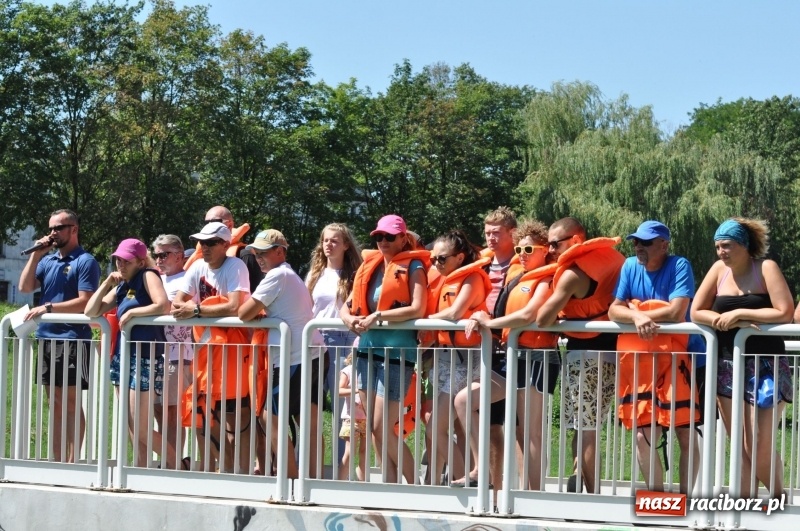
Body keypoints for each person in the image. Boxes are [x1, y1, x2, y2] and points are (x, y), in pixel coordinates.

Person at [691, 217, 793, 497]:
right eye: (718, 247)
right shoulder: (717, 271)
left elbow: (784, 311)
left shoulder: (766, 268)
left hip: (767, 365)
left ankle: (778, 500)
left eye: (727, 246)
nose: (721, 252)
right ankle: (745, 509)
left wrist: (741, 314)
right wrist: (720, 319)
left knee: (758, 443)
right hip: (726, 365)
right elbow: (696, 311)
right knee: (739, 444)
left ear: (744, 246)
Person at [608, 220, 703, 494]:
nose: (639, 247)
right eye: (636, 241)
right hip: (640, 364)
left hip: (679, 359)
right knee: (642, 435)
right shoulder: (629, 266)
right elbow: (614, 310)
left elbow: (676, 311)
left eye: (646, 242)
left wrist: (638, 312)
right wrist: (636, 315)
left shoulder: (679, 265)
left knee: (684, 432)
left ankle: (686, 500)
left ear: (664, 244)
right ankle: (657, 499)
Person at [465, 218, 558, 490]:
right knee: (520, 430)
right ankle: (524, 490)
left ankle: (535, 493)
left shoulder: (547, 278)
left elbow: (530, 314)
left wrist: (489, 325)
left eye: (528, 250)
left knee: (531, 430)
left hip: (538, 357)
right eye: (519, 250)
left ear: (544, 250)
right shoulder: (521, 278)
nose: (523, 256)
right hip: (518, 355)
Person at [536, 216, 625, 494]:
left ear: (575, 240)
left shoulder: (573, 274)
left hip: (586, 357)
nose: (550, 250)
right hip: (609, 352)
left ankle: (594, 496)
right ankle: (580, 475)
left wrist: (558, 318)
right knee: (584, 427)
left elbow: (543, 318)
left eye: (554, 244)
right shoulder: (612, 259)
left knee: (586, 429)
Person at [339, 214, 429, 484]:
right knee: (375, 430)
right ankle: (389, 487)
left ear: (403, 238)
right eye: (379, 236)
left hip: (396, 354)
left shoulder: (414, 266)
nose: (383, 241)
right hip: (367, 352)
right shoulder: (372, 266)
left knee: (382, 428)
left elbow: (417, 308)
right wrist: (348, 319)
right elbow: (348, 304)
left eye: (390, 237)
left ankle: (415, 486)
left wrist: (377, 317)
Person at [238, 229, 327, 479]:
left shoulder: (277, 276)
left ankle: (290, 482)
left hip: (293, 358)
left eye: (264, 253)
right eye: (256, 254)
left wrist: (258, 313)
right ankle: (311, 482)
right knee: (306, 421)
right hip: (309, 354)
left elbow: (244, 313)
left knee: (271, 419)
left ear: (280, 251)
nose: (259, 258)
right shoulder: (288, 274)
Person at [84, 238, 175, 468]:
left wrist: (135, 314)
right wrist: (106, 283)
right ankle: (140, 469)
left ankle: (179, 467)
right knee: (131, 424)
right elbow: (90, 310)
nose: (120, 265)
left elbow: (163, 305)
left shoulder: (148, 275)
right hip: (123, 357)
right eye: (117, 260)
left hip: (144, 356)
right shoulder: (123, 285)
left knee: (141, 427)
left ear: (140, 261)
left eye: (125, 261)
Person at [19, 209, 100, 463]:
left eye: (58, 228)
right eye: (51, 228)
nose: (52, 233)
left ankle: (72, 462)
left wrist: (49, 308)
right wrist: (36, 255)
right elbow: (25, 287)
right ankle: (57, 462)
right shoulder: (47, 260)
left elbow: (85, 302)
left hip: (73, 338)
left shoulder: (85, 261)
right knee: (55, 402)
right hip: (47, 338)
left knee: (71, 403)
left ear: (73, 229)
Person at [172, 221, 251, 473]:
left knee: (237, 421)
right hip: (205, 356)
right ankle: (218, 473)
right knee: (206, 420)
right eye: (201, 242)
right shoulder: (196, 266)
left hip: (233, 355)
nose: (203, 247)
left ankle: (242, 475)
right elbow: (177, 302)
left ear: (225, 245)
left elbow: (234, 306)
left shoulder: (235, 266)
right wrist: (195, 310)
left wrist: (196, 310)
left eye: (210, 243)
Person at [421, 230, 490, 486]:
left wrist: (421, 321)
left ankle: (471, 481)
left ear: (460, 257)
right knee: (434, 428)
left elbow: (456, 312)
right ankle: (463, 480)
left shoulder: (472, 278)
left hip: (468, 359)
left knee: (440, 426)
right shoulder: (443, 282)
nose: (435, 264)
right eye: (432, 259)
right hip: (447, 358)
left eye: (441, 259)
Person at [305, 223, 362, 465]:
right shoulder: (314, 274)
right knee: (313, 403)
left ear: (346, 245)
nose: (328, 245)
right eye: (325, 240)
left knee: (342, 407)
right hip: (318, 338)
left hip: (344, 338)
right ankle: (310, 465)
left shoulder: (355, 274)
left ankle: (342, 465)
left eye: (335, 241)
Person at [479, 206, 523, 497]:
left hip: (517, 350)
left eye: (497, 233)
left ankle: (521, 492)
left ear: (512, 234)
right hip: (487, 352)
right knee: (493, 423)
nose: (491, 238)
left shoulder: (524, 265)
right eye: (487, 233)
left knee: (520, 425)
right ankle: (495, 492)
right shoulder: (480, 266)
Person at [152, 234, 194, 469]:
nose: (159, 259)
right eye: (156, 255)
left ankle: (173, 465)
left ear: (179, 256)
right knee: (159, 413)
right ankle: (171, 461)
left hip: (178, 356)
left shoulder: (186, 280)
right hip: (156, 354)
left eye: (164, 254)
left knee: (171, 415)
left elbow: (170, 309)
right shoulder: (157, 279)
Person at [185, 206, 264, 292]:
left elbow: (255, 294)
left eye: (215, 221)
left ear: (230, 225)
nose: (210, 225)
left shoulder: (244, 254)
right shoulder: (200, 257)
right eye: (207, 222)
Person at [338, 349, 367, 481]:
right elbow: (339, 390)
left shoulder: (371, 369)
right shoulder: (348, 370)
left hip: (367, 418)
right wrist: (356, 390)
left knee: (364, 452)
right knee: (350, 452)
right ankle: (340, 482)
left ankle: (363, 484)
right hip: (351, 418)